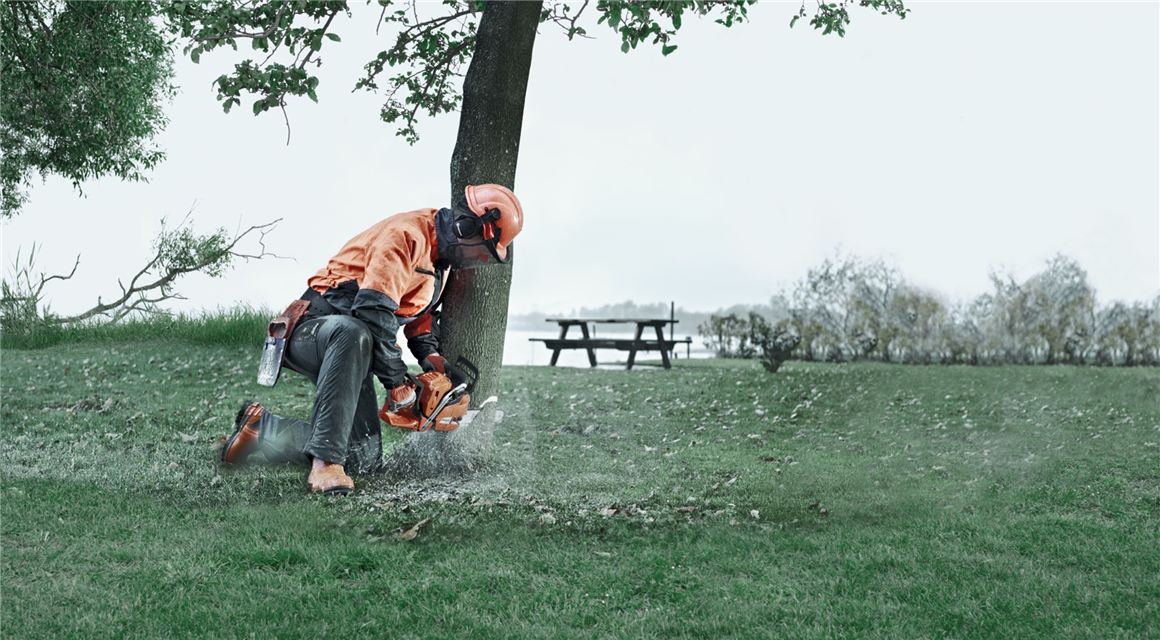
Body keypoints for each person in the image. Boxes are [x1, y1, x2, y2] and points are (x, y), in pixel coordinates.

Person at [220, 184, 525, 495]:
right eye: (480, 252)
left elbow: (416, 314)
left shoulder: (439, 262)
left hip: (354, 346)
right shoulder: (405, 236)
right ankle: (325, 465)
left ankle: (262, 428)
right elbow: (372, 311)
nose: (476, 261)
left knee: (363, 459)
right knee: (353, 331)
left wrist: (431, 359)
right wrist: (398, 386)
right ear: (467, 227)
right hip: (313, 329)